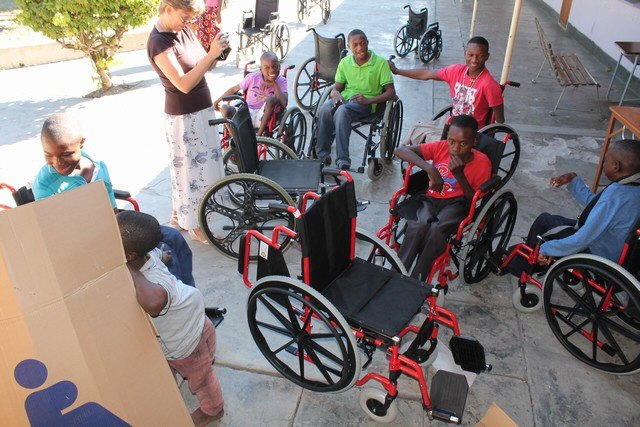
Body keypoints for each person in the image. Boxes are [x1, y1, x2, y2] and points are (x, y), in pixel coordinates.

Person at [32, 112, 195, 287]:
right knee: (164, 253)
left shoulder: (98, 166)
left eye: (65, 154)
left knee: (173, 236)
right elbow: (54, 233)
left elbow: (112, 210)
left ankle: (188, 294)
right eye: (48, 155)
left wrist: (124, 235)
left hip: (110, 229)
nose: (57, 162)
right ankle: (178, 303)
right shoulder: (45, 184)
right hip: (83, 244)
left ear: (81, 143)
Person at [117, 210, 224, 427]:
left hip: (186, 342)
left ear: (129, 256)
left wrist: (126, 268)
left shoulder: (149, 281)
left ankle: (213, 410)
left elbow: (155, 304)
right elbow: (160, 256)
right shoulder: (150, 255)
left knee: (202, 380)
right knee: (170, 368)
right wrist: (162, 258)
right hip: (191, 320)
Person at [147, 0, 229, 243]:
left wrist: (217, 51)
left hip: (202, 110)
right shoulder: (158, 42)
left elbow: (203, 65)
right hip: (184, 116)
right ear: (168, 8)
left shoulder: (182, 29)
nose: (188, 22)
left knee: (189, 169)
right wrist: (210, 55)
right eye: (185, 17)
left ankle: (177, 215)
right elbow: (182, 84)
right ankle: (196, 227)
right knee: (192, 173)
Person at [508, 139, 640, 277]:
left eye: (606, 160)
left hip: (599, 254)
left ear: (615, 166)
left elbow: (582, 239)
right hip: (619, 251)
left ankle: (521, 267)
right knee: (554, 221)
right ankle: (528, 256)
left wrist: (546, 249)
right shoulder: (630, 188)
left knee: (544, 222)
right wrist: (574, 181)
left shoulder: (614, 197)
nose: (603, 163)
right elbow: (596, 206)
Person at [394, 114, 492, 280]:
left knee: (437, 229)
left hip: (458, 203)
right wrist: (430, 169)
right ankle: (397, 273)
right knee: (418, 225)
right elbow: (400, 150)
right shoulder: (441, 147)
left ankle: (418, 278)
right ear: (447, 138)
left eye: (463, 143)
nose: (455, 148)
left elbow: (473, 202)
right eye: (451, 141)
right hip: (432, 199)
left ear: (474, 142)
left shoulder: (482, 163)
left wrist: (460, 175)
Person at [315, 29, 396, 170]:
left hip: (366, 103)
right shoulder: (345, 63)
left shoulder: (380, 64)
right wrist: (335, 93)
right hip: (345, 98)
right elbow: (337, 88)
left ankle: (343, 160)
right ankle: (321, 153)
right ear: (349, 46)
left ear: (367, 43)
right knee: (325, 109)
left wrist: (368, 101)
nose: (360, 48)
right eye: (355, 45)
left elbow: (391, 94)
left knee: (342, 112)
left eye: (363, 43)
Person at [389, 36, 504, 130]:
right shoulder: (456, 71)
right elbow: (426, 74)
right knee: (416, 130)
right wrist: (398, 71)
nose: (474, 60)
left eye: (480, 56)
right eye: (470, 55)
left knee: (423, 146)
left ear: (487, 57)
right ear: (465, 53)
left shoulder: (489, 84)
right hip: (453, 124)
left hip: (469, 133)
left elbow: (499, 120)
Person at [214, 51, 288, 136]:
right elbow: (234, 88)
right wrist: (218, 100)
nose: (271, 70)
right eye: (267, 67)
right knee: (225, 109)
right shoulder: (252, 78)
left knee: (271, 99)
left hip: (265, 117)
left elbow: (284, 103)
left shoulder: (281, 81)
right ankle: (236, 139)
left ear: (279, 67)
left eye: (274, 66)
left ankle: (259, 135)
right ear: (261, 69)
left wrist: (274, 84)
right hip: (247, 113)